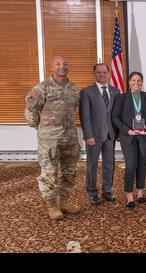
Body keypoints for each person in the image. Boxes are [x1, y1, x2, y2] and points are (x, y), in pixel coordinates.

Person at [25, 55, 81, 220]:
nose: (62, 67)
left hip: (70, 138)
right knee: (49, 173)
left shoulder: (73, 88)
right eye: (58, 64)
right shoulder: (42, 88)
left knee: (69, 172)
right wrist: (39, 127)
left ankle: (63, 202)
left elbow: (74, 109)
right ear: (51, 67)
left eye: (65, 64)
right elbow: (30, 108)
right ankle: (51, 205)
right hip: (49, 140)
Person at [112, 72, 146, 209]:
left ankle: (140, 193)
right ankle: (129, 196)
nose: (136, 83)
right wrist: (127, 130)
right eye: (133, 80)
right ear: (129, 82)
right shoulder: (121, 97)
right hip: (129, 137)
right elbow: (115, 117)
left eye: (139, 80)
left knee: (142, 165)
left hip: (144, 136)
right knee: (131, 165)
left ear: (142, 82)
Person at [80, 63, 120, 206]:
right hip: (94, 136)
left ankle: (107, 191)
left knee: (110, 164)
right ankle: (92, 192)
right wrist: (88, 135)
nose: (102, 75)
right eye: (99, 72)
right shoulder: (87, 92)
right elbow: (85, 117)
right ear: (94, 74)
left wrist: (118, 132)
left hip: (110, 135)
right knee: (92, 164)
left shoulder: (116, 91)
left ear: (108, 73)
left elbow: (117, 114)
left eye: (104, 72)